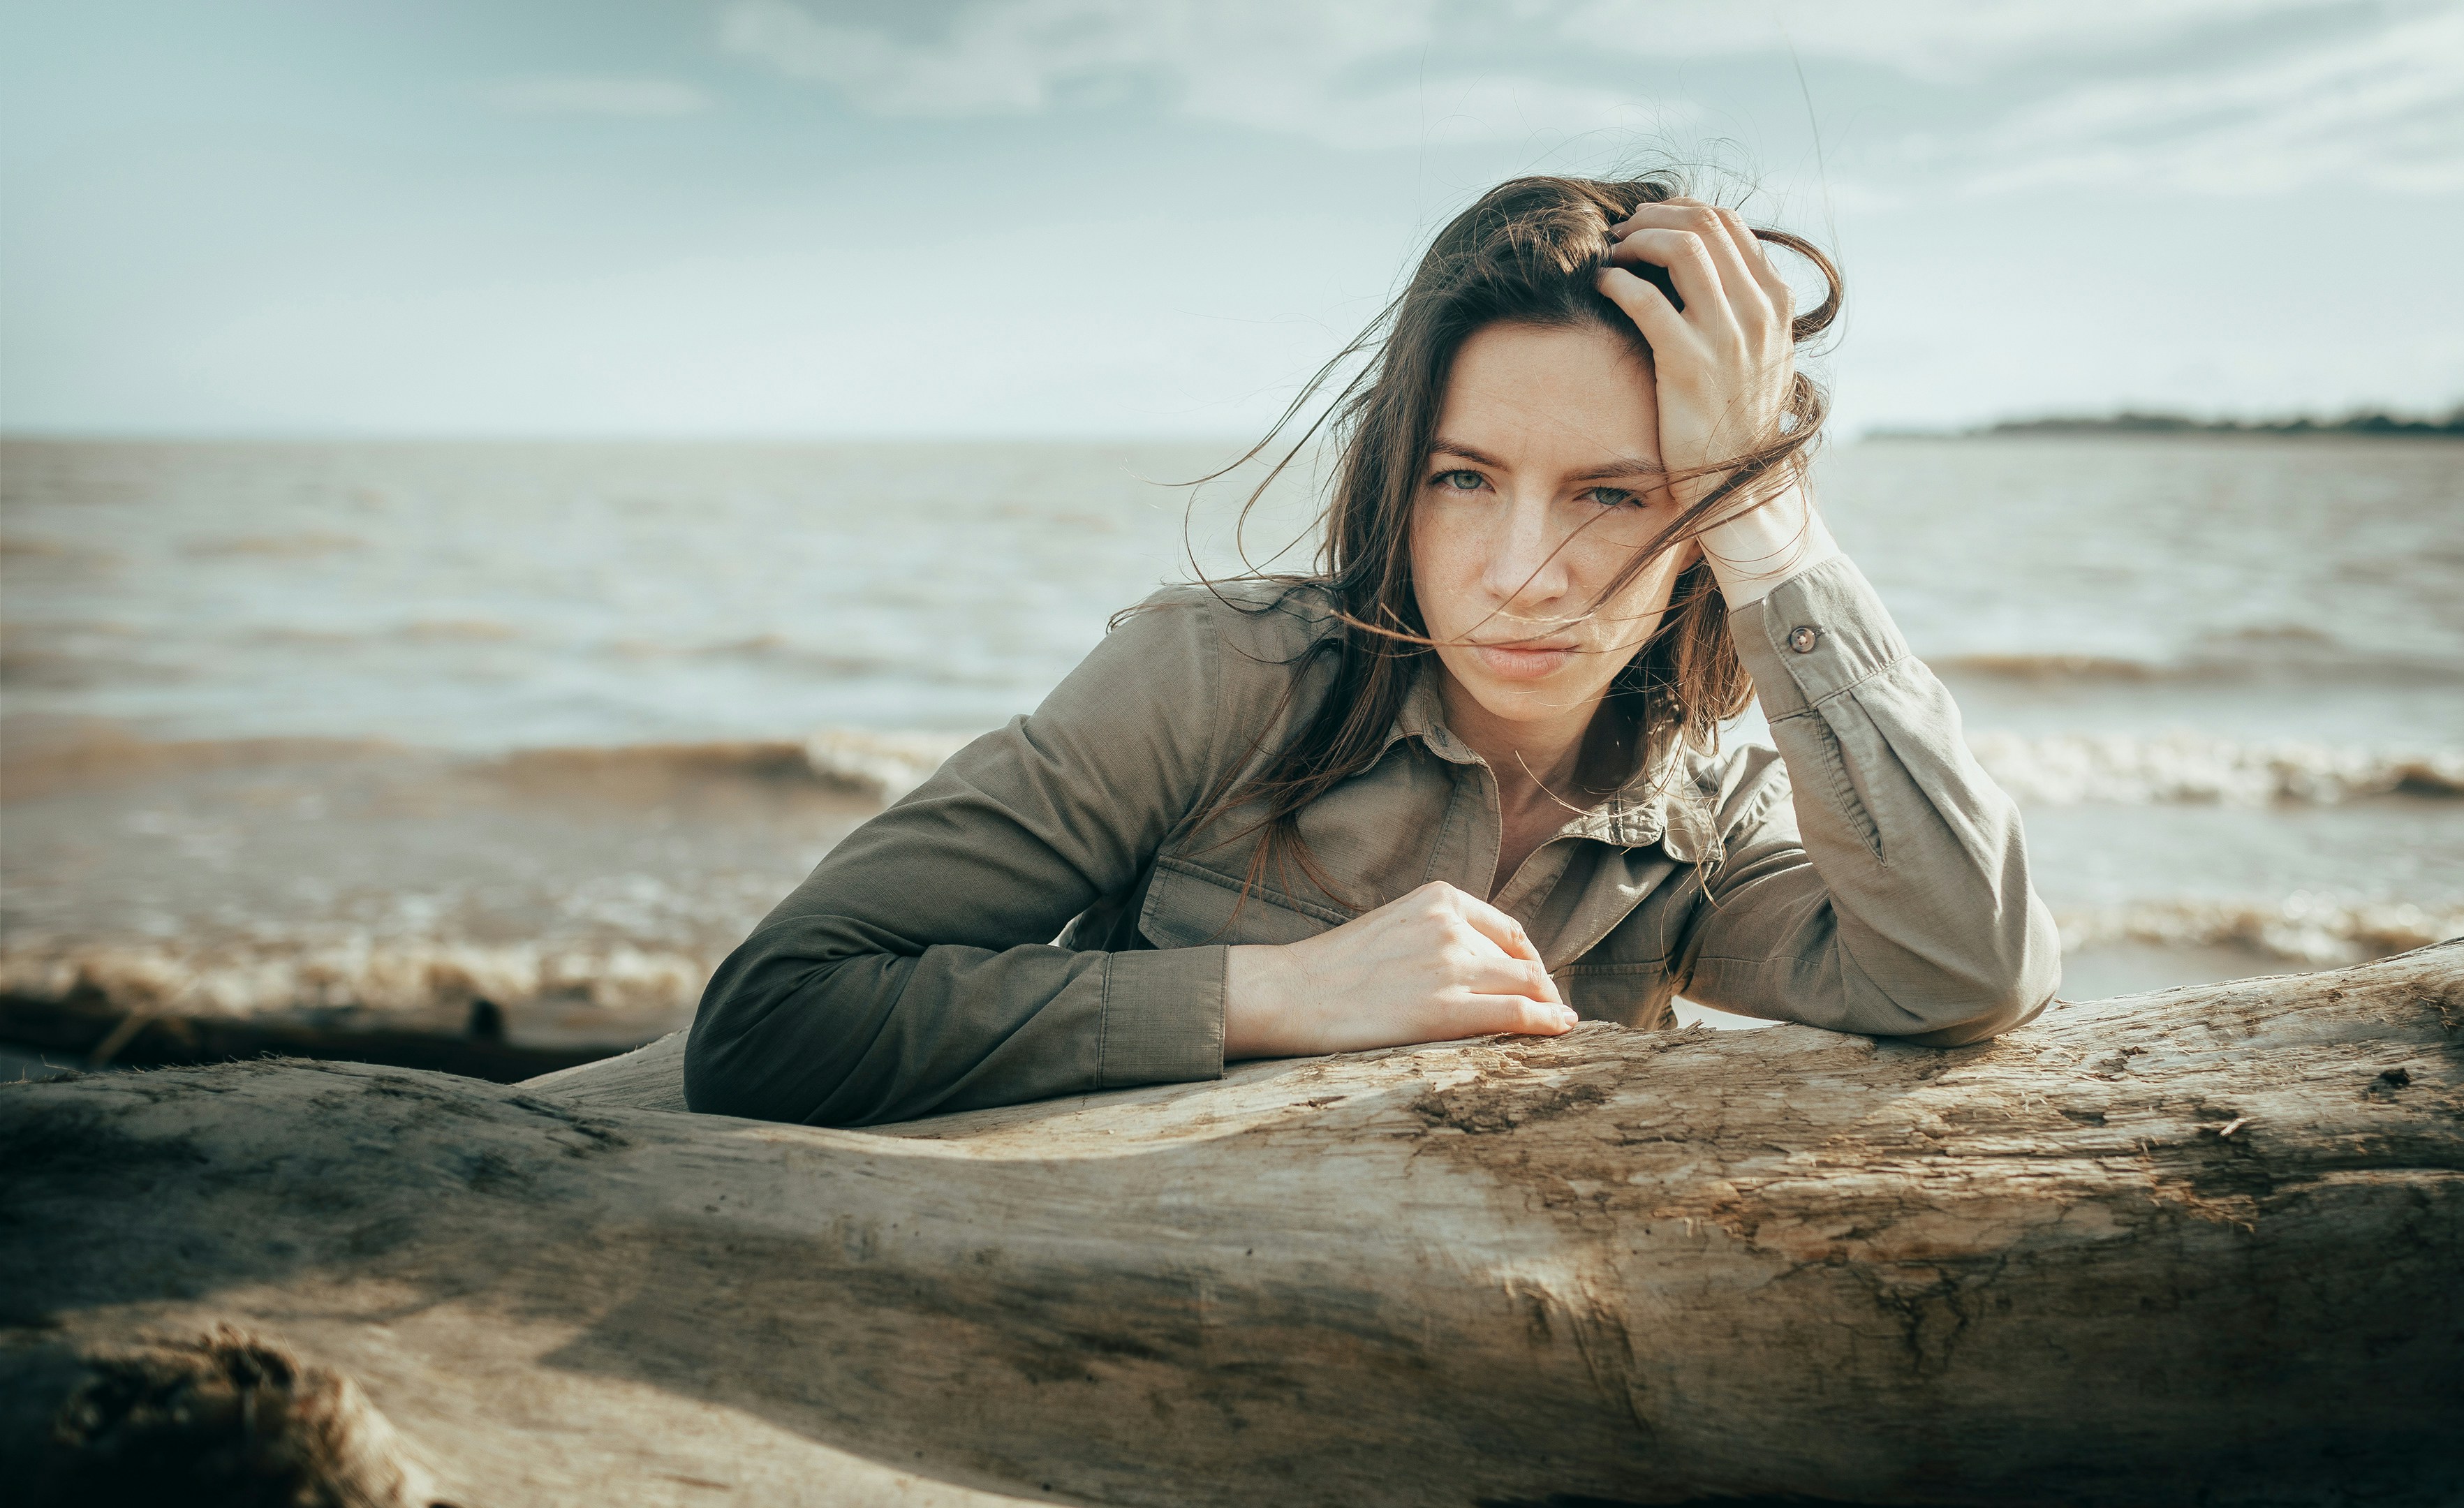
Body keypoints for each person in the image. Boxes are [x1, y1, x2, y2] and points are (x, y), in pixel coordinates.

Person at [684, 175, 2060, 1126]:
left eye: (1617, 491)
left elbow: (1969, 973)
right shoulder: (1222, 683)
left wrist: (1766, 510)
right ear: (1397, 482)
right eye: (1465, 480)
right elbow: (774, 1019)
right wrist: (1272, 995)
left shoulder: (1704, 821)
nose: (1523, 575)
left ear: (1700, 519)